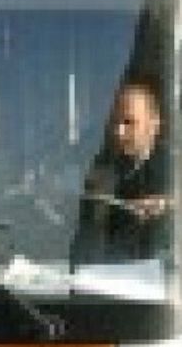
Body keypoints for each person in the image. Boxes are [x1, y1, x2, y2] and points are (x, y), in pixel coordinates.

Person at [70, 80, 172, 266]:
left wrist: (167, 204)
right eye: (114, 122)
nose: (118, 132)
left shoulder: (177, 168)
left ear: (154, 124)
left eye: (129, 122)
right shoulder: (101, 165)